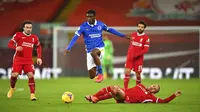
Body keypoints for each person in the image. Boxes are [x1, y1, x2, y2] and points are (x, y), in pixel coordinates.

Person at [63, 9, 130, 83]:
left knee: (93, 52)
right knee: (92, 76)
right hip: (88, 51)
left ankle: (101, 73)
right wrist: (68, 48)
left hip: (100, 48)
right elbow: (75, 37)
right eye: (87, 17)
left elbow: (110, 30)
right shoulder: (83, 26)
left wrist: (123, 35)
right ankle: (97, 70)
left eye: (91, 16)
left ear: (94, 16)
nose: (89, 18)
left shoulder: (100, 24)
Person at [7, 20, 42, 101]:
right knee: (14, 75)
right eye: (27, 27)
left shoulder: (34, 37)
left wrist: (39, 57)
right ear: (23, 28)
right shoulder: (18, 35)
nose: (28, 29)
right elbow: (10, 44)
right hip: (18, 59)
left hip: (28, 60)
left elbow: (39, 46)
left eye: (30, 27)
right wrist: (16, 47)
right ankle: (12, 88)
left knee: (31, 75)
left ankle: (32, 95)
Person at [85, 82, 182, 104]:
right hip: (123, 93)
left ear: (155, 92)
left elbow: (164, 101)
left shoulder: (151, 97)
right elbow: (131, 90)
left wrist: (174, 95)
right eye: (153, 85)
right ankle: (95, 98)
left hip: (125, 98)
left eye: (155, 88)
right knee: (112, 89)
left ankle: (94, 97)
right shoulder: (141, 85)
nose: (153, 87)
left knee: (115, 89)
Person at [124, 21, 150, 89]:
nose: (140, 28)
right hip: (130, 57)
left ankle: (137, 89)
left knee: (138, 74)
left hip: (138, 58)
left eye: (142, 27)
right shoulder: (133, 34)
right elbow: (131, 45)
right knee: (127, 72)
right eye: (139, 27)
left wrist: (137, 54)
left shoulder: (146, 37)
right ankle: (125, 90)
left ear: (144, 28)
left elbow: (146, 49)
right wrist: (130, 53)